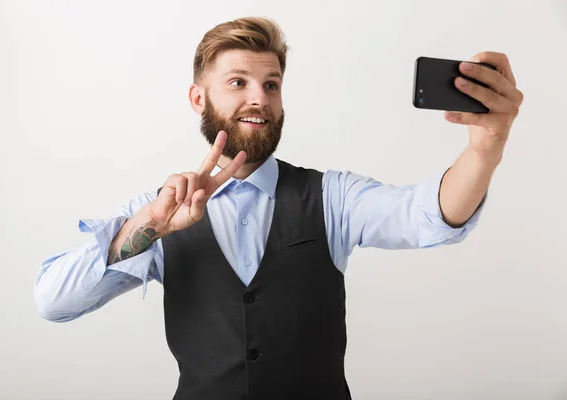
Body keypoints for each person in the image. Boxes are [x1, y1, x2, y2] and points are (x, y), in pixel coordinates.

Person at [34, 16, 523, 400]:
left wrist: (485, 148)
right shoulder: (159, 211)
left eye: (271, 84)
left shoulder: (332, 197)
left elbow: (428, 215)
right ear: (197, 98)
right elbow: (53, 303)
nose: (258, 98)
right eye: (238, 82)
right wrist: (147, 226)